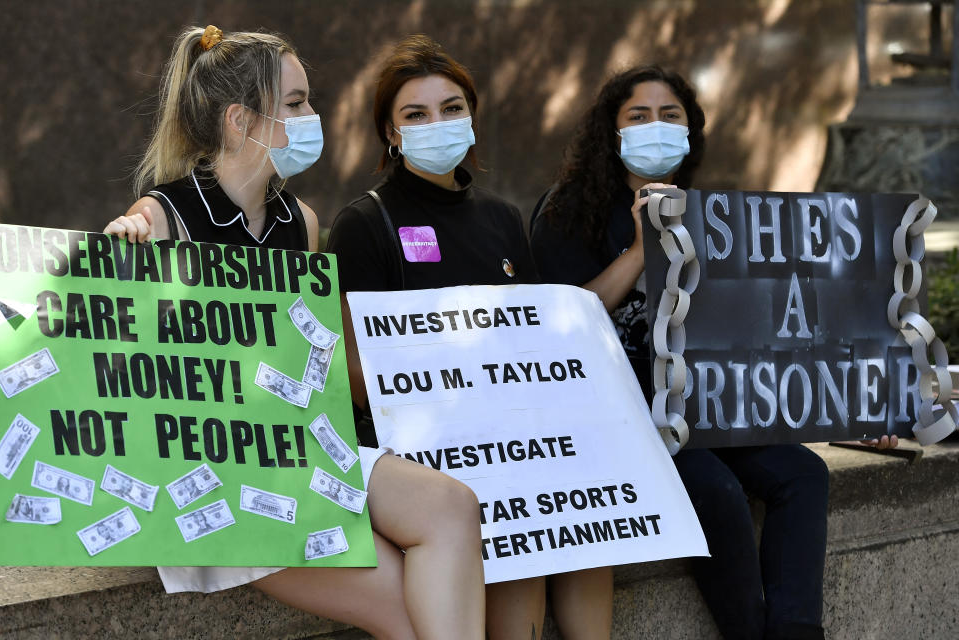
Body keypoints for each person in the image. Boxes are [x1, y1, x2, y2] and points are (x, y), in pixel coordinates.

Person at [103, 25, 485, 640]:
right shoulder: (160, 216)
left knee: (453, 505)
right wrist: (122, 260)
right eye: (297, 102)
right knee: (406, 611)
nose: (315, 115)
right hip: (214, 476)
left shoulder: (301, 221)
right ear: (240, 121)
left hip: (295, 452)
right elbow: (121, 368)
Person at [529, 65, 898, 640]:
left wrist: (855, 403)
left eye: (670, 116)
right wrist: (641, 246)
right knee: (718, 493)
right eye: (639, 116)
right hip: (623, 413)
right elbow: (563, 324)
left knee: (803, 473)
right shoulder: (564, 213)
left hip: (709, 407)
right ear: (612, 131)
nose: (656, 127)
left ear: (690, 131)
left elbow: (770, 331)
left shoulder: (714, 216)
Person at [325, 34, 610, 640]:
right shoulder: (363, 223)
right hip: (417, 449)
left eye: (452, 108)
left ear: (472, 116)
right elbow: (348, 363)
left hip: (506, 436)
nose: (438, 123)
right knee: (501, 521)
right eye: (416, 114)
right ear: (391, 133)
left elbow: (534, 344)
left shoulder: (504, 220)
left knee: (582, 508)